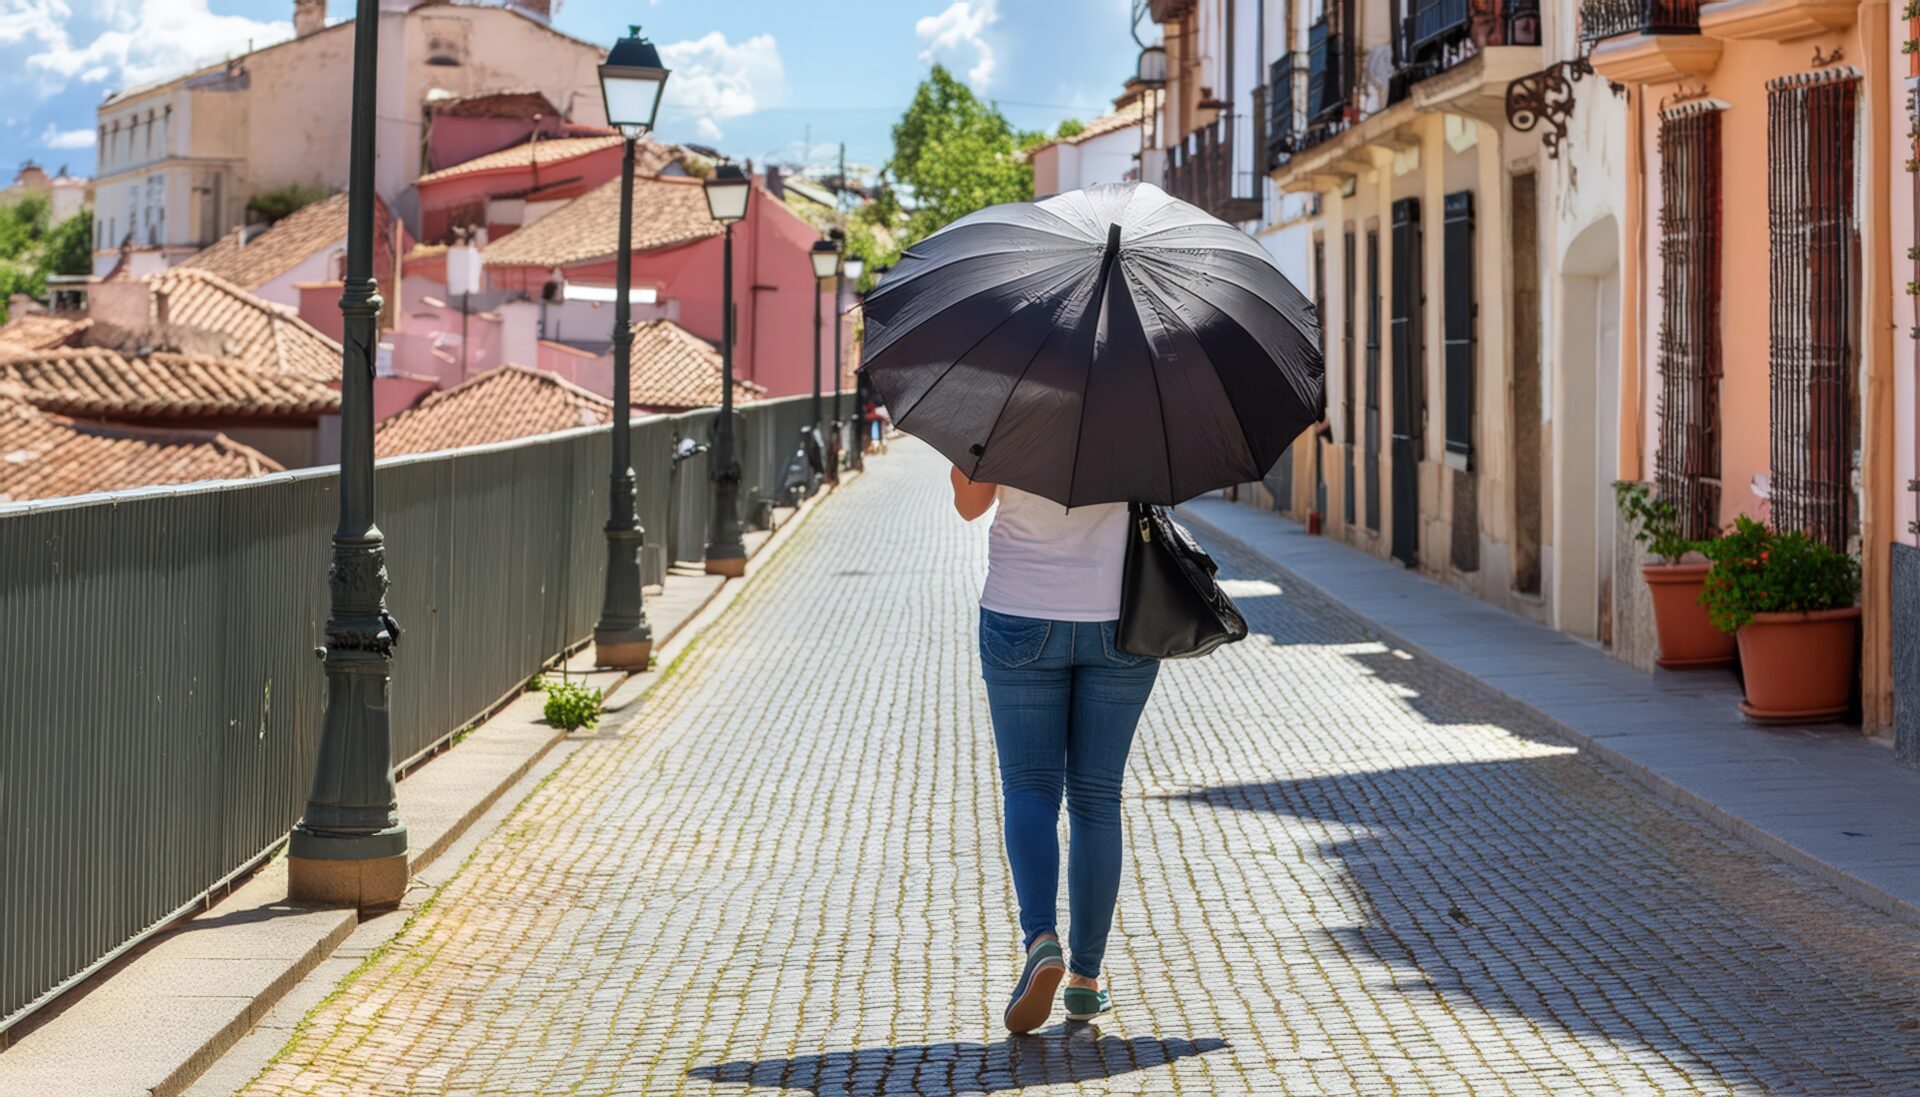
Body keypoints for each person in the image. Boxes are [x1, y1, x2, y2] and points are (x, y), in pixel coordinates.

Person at [950, 466, 1161, 1034]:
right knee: (1096, 798)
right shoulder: (1144, 390)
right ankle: (1086, 982)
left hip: (1020, 611)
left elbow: (970, 507)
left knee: (1029, 789)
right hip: (1122, 617)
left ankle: (1041, 938)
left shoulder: (1003, 391)